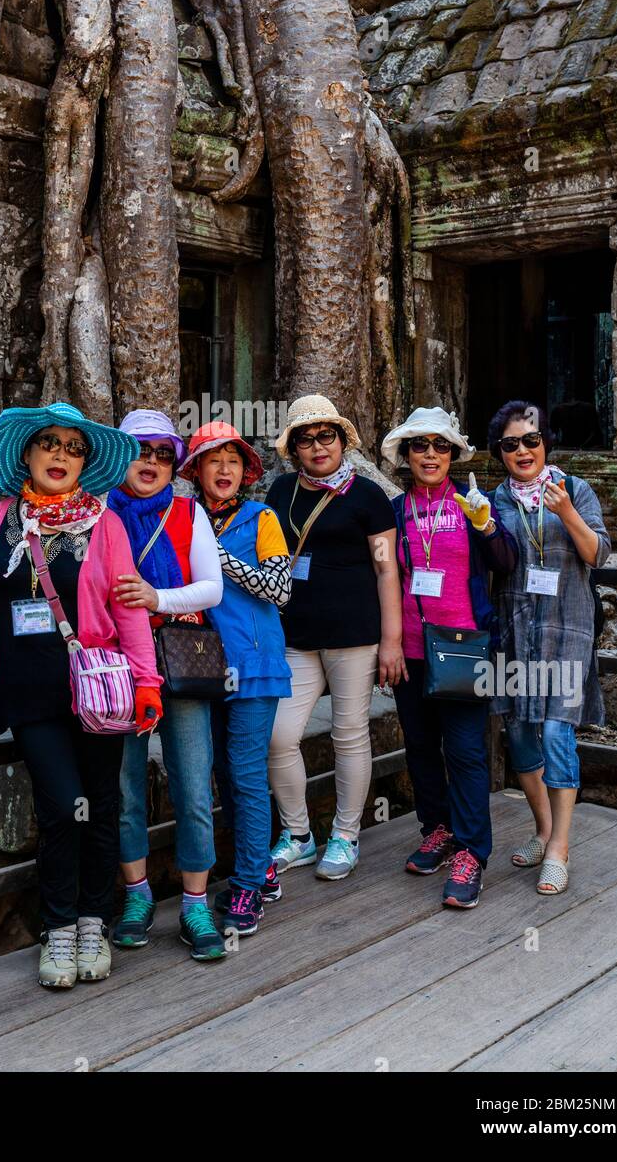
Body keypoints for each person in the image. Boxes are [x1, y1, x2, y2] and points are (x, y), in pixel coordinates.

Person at [0, 403, 161, 991]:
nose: (60, 455)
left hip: (97, 688)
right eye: (50, 444)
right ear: (29, 454)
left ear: (85, 463)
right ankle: (59, 927)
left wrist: (147, 682)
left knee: (101, 806)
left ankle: (95, 920)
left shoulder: (105, 524)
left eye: (73, 447)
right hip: (30, 691)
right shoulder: (0, 522)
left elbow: (127, 607)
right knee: (63, 806)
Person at [381, 407, 518, 909]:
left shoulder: (472, 502)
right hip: (412, 651)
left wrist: (485, 526)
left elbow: (506, 561)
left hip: (464, 650)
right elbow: (383, 578)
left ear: (453, 454)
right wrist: (387, 642)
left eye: (441, 446)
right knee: (420, 746)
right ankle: (437, 830)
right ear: (408, 456)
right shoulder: (395, 511)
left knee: (465, 751)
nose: (431, 454)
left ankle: (472, 852)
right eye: (421, 446)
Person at [264, 394, 404, 880]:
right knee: (279, 735)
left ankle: (345, 835)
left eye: (328, 436)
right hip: (296, 633)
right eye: (307, 438)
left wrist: (392, 640)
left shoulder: (368, 496)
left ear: (343, 441)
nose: (318, 446)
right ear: (294, 448)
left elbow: (387, 571)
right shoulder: (280, 492)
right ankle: (298, 834)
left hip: (355, 634)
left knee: (349, 734)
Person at [105, 410, 227, 962]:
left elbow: (211, 589)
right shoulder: (96, 511)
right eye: (140, 450)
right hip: (115, 664)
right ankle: (136, 896)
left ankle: (196, 904)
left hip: (178, 658)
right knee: (125, 786)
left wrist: (157, 598)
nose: (151, 462)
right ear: (119, 455)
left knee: (193, 783)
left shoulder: (187, 512)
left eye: (162, 454)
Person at [489, 400, 611, 895]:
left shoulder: (575, 488)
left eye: (531, 440)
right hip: (516, 631)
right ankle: (541, 828)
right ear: (500, 452)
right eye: (511, 443)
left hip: (567, 629)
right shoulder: (496, 499)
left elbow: (598, 553)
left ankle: (559, 846)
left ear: (546, 444)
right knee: (519, 734)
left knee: (558, 735)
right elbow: (497, 558)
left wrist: (566, 512)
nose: (523, 450)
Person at [179, 421, 292, 936]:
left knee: (245, 774)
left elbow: (278, 588)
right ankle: (260, 863)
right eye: (212, 460)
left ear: (245, 472)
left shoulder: (261, 516)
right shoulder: (182, 518)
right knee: (223, 773)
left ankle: (247, 884)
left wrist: (215, 559)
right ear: (196, 471)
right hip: (200, 666)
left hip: (253, 664)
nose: (223, 469)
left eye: (232, 460)